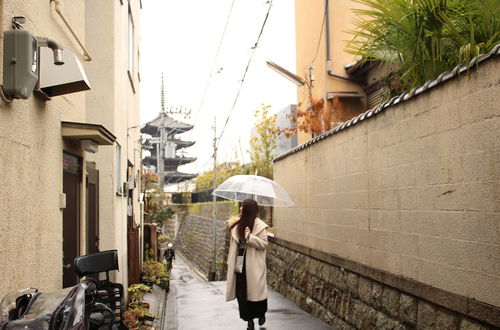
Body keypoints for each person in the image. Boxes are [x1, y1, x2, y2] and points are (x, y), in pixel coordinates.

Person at [226, 199, 268, 330]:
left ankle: (261, 314)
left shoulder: (260, 226)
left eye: (243, 207)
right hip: (239, 264)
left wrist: (250, 237)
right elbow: (234, 243)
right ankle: (249, 320)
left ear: (249, 209)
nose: (240, 209)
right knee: (242, 293)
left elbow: (264, 244)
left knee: (256, 293)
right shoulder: (237, 225)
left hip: (253, 265)